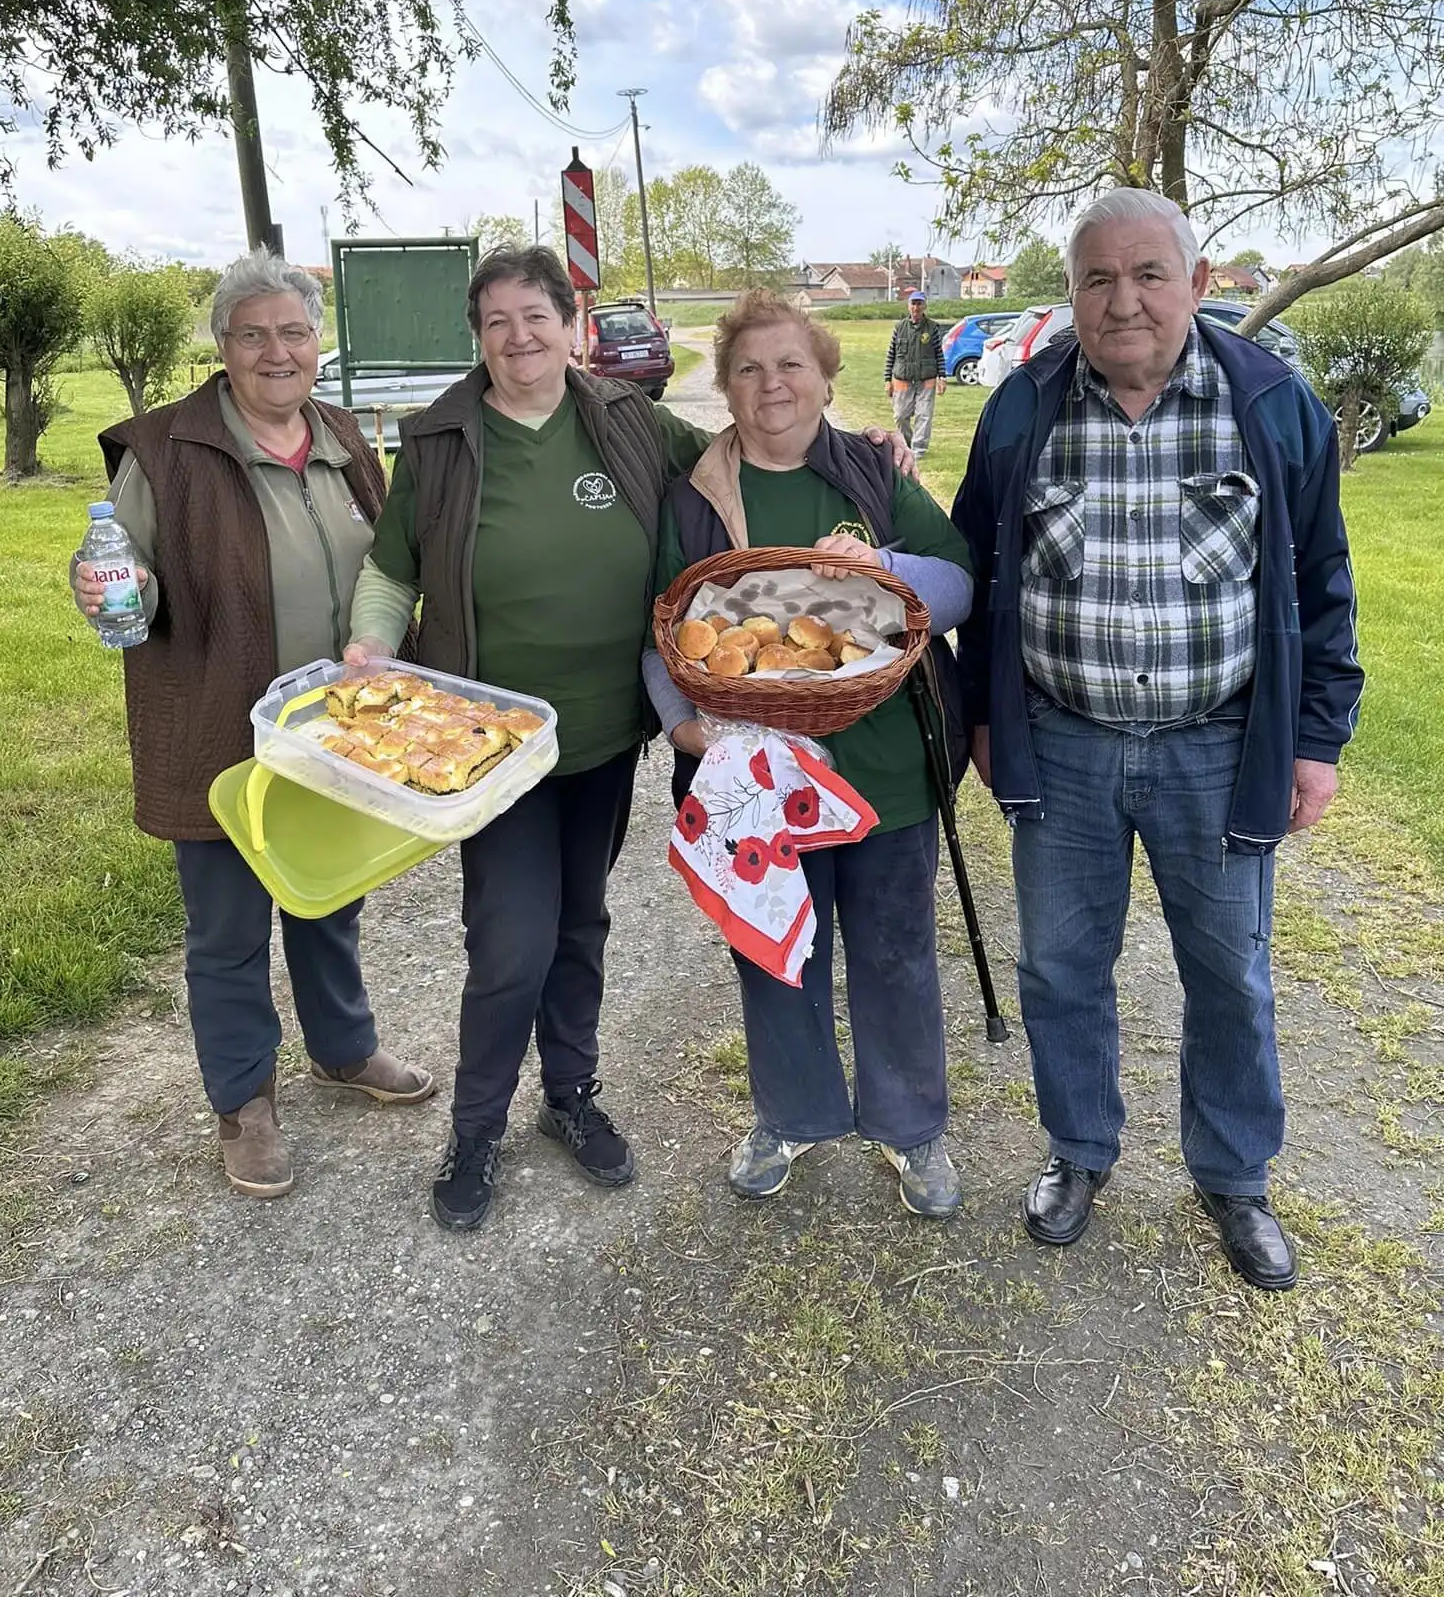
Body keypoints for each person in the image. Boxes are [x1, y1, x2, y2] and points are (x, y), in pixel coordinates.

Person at [345, 249, 918, 1234]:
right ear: (476, 336)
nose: (519, 337)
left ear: (570, 326)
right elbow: (392, 569)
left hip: (604, 732)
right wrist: (369, 643)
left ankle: (569, 1096)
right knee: (511, 942)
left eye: (536, 315)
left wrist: (860, 446)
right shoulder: (439, 441)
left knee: (580, 924)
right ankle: (476, 1130)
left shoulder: (625, 417)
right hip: (491, 742)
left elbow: (742, 446)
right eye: (496, 321)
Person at [952, 189, 1362, 1290]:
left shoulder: (1270, 404)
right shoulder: (1022, 407)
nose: (1122, 300)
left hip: (1218, 746)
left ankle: (1234, 1174)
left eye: (1148, 274)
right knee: (1059, 967)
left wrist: (1316, 741)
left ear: (1197, 281)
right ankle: (1079, 1149)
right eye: (1096, 278)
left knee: (1230, 973)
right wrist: (983, 714)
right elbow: (978, 575)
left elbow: (1325, 582)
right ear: (1071, 293)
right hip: (1064, 742)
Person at [77, 253, 434, 1202]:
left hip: (339, 730)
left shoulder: (344, 436)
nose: (278, 352)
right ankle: (243, 1102)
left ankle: (343, 1048)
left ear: (319, 343)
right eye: (253, 335)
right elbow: (124, 578)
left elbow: (388, 562)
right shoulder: (165, 450)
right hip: (221, 726)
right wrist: (114, 588)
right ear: (224, 347)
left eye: (295, 333)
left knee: (329, 897)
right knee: (228, 928)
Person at [646, 289, 974, 1217]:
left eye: (792, 364)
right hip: (756, 782)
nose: (772, 384)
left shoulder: (871, 473)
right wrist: (682, 726)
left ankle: (910, 1127)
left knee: (896, 952)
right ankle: (791, 1115)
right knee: (774, 952)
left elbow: (958, 584)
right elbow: (659, 629)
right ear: (726, 387)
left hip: (884, 770)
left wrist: (887, 569)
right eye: (748, 369)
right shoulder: (695, 500)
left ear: (827, 379)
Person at [883, 289, 946, 458]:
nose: (916, 307)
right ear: (908, 306)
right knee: (900, 415)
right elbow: (891, 354)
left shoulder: (932, 327)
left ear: (924, 306)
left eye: (919, 304)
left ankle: (919, 450)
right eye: (913, 303)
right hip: (902, 379)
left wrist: (942, 377)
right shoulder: (899, 327)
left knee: (923, 415)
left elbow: (939, 354)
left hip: (926, 379)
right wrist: (887, 379)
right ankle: (906, 444)